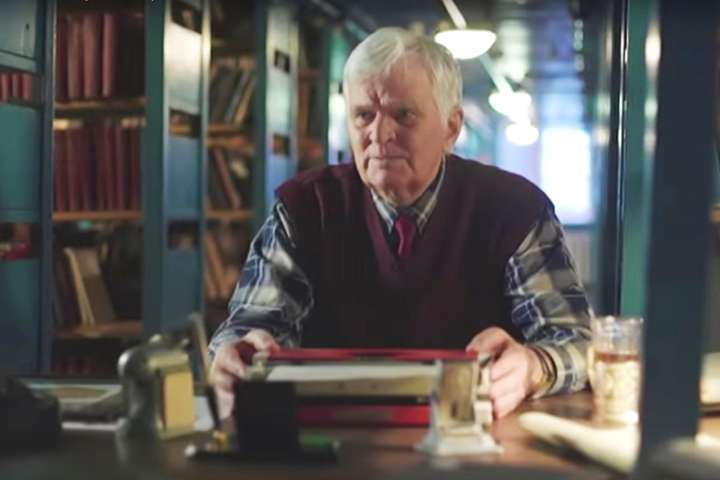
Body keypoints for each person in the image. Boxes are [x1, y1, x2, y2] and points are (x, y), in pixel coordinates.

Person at [209, 27, 591, 419]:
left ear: (451, 128)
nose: (379, 135)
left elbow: (576, 341)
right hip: (331, 434)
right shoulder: (305, 208)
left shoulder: (514, 210)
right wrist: (236, 353)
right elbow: (250, 327)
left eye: (403, 115)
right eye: (364, 116)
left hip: (477, 436)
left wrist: (535, 367)